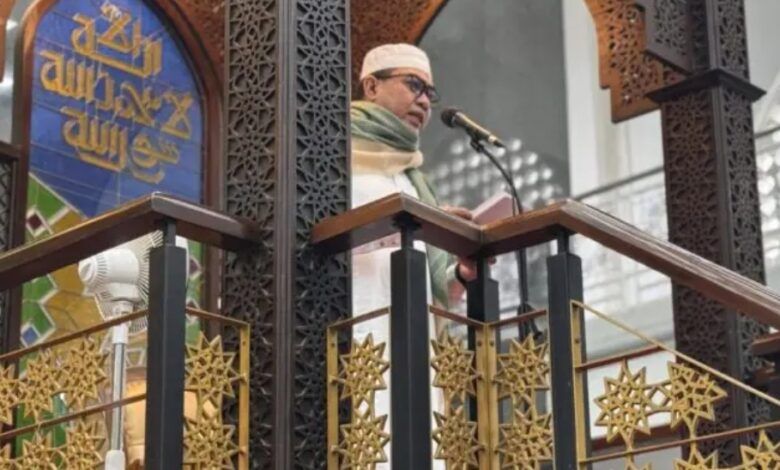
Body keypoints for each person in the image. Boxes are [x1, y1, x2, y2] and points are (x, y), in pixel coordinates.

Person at [350, 43, 475, 468]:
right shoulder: (333, 152)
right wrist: (412, 224)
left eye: (430, 93)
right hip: (358, 329)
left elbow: (436, 282)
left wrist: (462, 270)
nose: (424, 101)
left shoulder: (411, 176)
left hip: (414, 340)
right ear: (371, 86)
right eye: (413, 85)